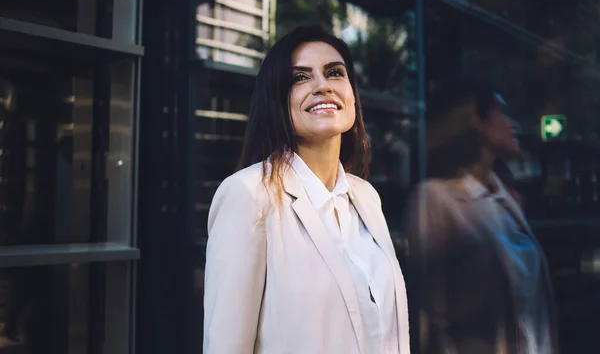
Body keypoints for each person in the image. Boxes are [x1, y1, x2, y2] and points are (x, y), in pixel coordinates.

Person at [203, 26, 410, 354]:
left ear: (352, 94)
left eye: (334, 73)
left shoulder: (366, 197)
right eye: (300, 77)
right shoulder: (248, 195)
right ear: (277, 100)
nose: (322, 86)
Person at [406, 81, 557, 353]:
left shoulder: (505, 199)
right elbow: (430, 318)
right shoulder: (434, 199)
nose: (514, 124)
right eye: (501, 112)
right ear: (475, 121)